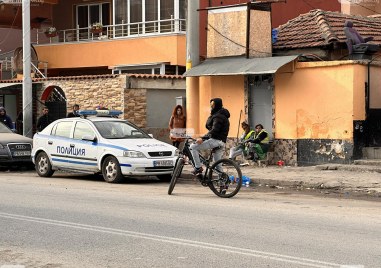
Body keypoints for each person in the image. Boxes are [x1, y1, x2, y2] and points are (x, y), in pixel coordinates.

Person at [190, 98, 230, 175]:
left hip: (216, 141)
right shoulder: (221, 115)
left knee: (193, 147)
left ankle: (198, 168)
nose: (211, 106)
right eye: (211, 104)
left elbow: (214, 130)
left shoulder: (218, 116)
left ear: (217, 105)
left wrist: (203, 138)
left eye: (213, 105)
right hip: (221, 142)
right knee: (218, 165)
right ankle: (223, 181)